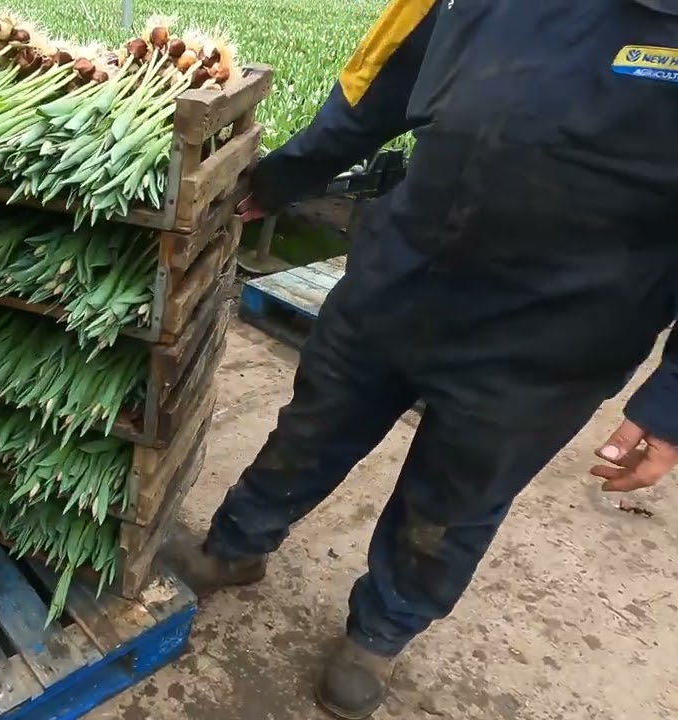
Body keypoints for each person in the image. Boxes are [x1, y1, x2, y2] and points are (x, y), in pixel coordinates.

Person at [163, 0, 678, 717]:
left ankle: (380, 631)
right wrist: (287, 175)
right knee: (312, 425)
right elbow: (374, 87)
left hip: (562, 331)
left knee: (458, 494)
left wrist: (670, 404)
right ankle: (236, 545)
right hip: (405, 271)